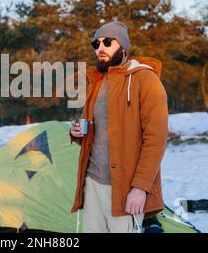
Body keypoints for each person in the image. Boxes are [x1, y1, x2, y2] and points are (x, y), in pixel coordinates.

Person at [69, 20, 168, 233]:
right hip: (92, 184)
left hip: (125, 189)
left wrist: (140, 188)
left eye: (107, 42)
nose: (100, 48)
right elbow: (100, 130)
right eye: (96, 44)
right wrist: (77, 133)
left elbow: (156, 140)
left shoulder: (146, 80)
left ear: (122, 47)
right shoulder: (96, 82)